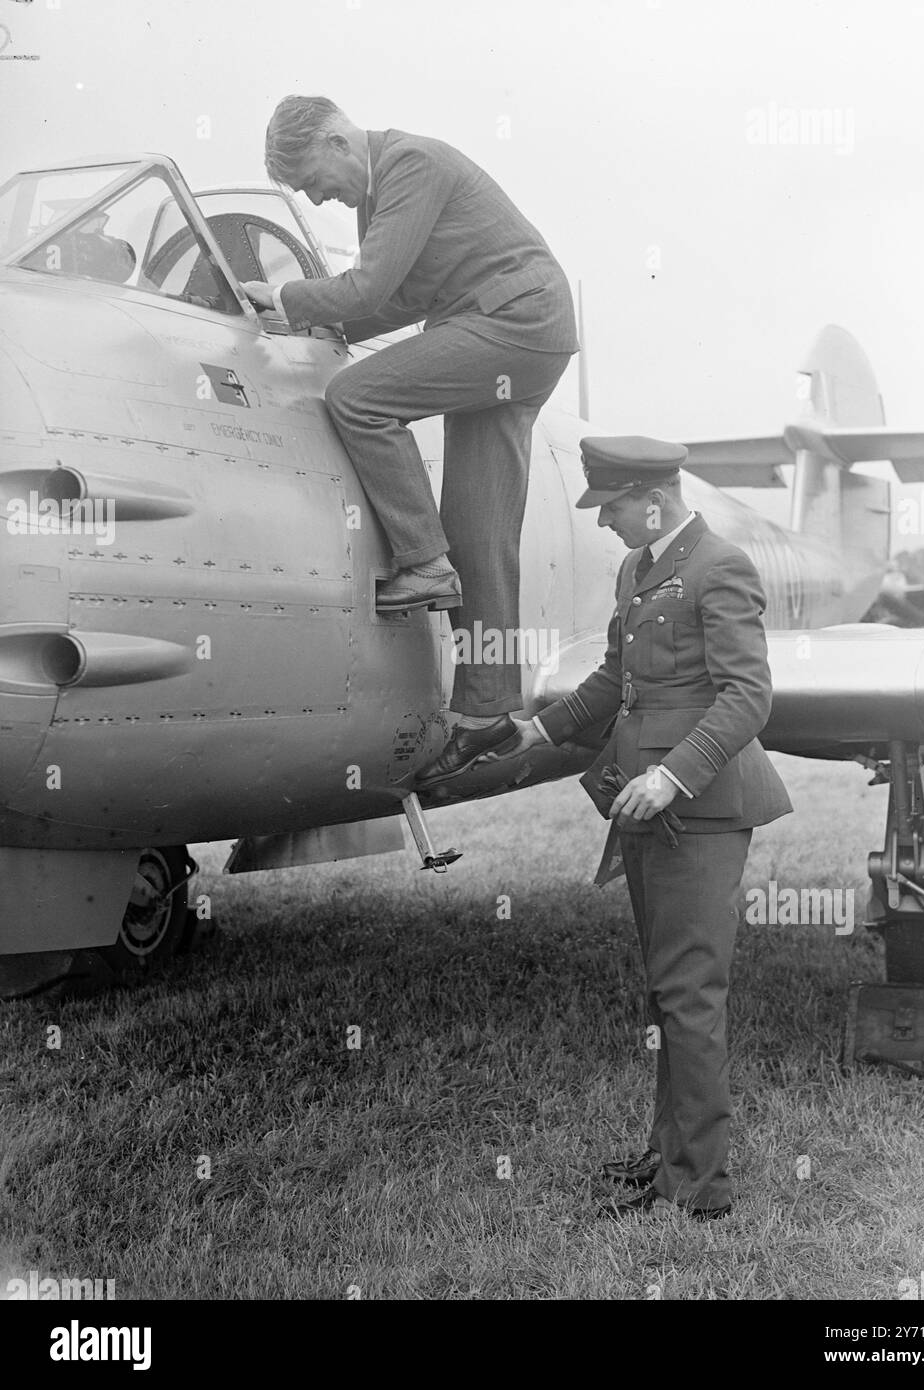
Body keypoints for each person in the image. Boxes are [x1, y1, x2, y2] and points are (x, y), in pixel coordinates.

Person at [240, 96, 578, 787]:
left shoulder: (410, 165)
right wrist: (316, 325)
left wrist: (284, 300)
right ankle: (487, 715)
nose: (317, 196)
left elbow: (367, 288)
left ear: (338, 139)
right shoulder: (384, 191)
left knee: (357, 397)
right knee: (479, 534)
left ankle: (422, 562)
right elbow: (396, 301)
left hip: (511, 324)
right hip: (508, 329)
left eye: (312, 179)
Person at [497, 437, 792, 1219]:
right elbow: (612, 680)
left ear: (651, 500)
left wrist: (669, 775)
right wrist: (539, 730)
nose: (603, 524)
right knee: (666, 993)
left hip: (696, 809)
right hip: (643, 805)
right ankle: (668, 1158)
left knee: (691, 996)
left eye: (613, 507)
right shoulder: (637, 570)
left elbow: (746, 696)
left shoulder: (718, 566)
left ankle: (699, 1187)